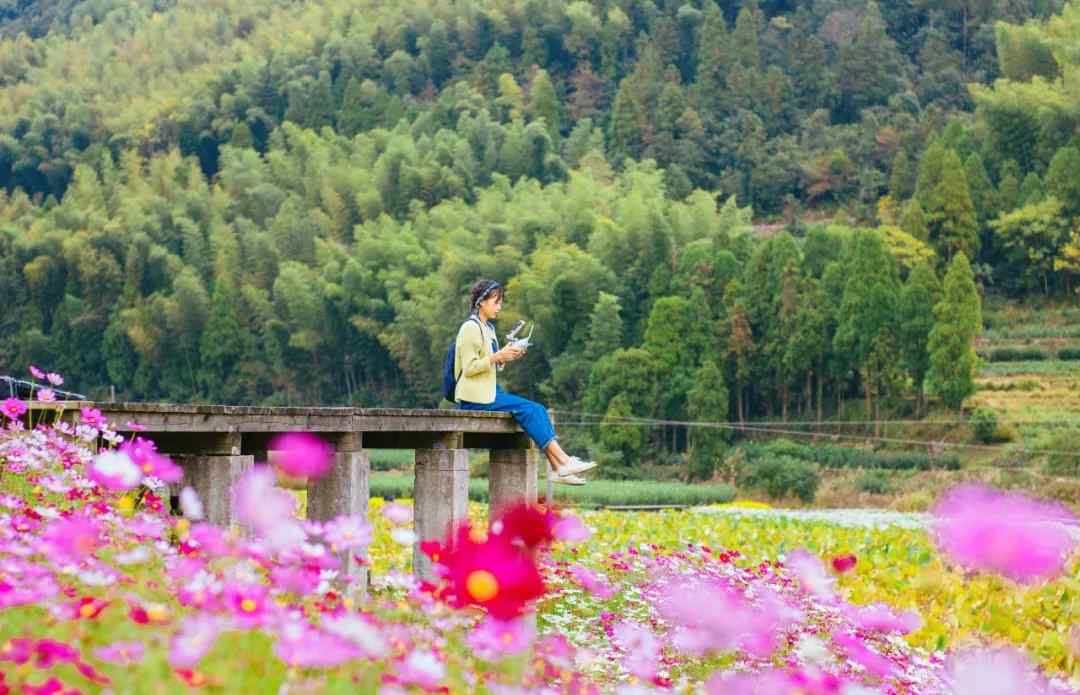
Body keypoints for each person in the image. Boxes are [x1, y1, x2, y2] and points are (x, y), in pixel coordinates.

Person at [454, 279, 597, 485]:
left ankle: (558, 468)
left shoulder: (488, 329)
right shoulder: (470, 328)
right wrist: (498, 356)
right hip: (474, 398)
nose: (499, 307)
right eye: (496, 302)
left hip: (490, 391)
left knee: (536, 410)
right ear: (481, 302)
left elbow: (492, 364)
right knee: (532, 410)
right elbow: (469, 368)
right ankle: (563, 460)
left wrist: (507, 356)